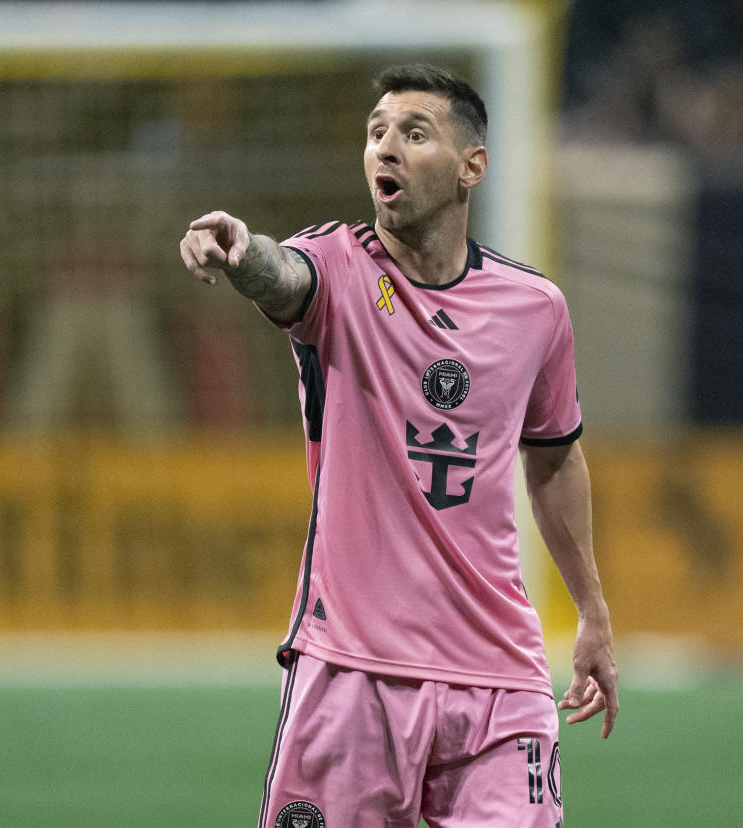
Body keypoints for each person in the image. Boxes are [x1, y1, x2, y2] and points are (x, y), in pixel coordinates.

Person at [179, 63, 618, 828]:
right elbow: (284, 278)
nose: (386, 148)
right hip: (352, 668)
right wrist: (243, 250)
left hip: (500, 677)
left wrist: (592, 610)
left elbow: (553, 457)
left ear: (470, 167)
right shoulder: (340, 268)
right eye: (376, 133)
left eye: (414, 134)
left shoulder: (535, 309)